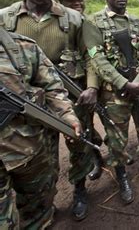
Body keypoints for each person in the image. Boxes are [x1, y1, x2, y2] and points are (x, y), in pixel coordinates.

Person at [0, 0, 99, 221]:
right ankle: (43, 205)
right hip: (24, 101)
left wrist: (91, 86)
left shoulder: (73, 18)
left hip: (69, 91)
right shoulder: (6, 18)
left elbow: (92, 56)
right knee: (39, 153)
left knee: (78, 142)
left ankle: (79, 189)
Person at [84, 0, 139, 205]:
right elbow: (96, 58)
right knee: (117, 138)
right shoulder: (93, 22)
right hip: (114, 94)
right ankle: (121, 176)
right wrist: (123, 83)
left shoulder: (137, 22)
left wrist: (138, 81)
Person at [0, 25, 82, 229]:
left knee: (38, 210)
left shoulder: (23, 47)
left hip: (30, 150)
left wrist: (67, 116)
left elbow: (53, 87)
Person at [54, 0, 105, 183]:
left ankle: (95, 155)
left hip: (86, 84)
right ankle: (83, 172)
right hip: (61, 87)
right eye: (70, 0)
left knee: (86, 124)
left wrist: (93, 86)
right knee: (75, 130)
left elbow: (92, 55)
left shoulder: (86, 21)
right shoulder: (56, 25)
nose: (76, 3)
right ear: (59, 3)